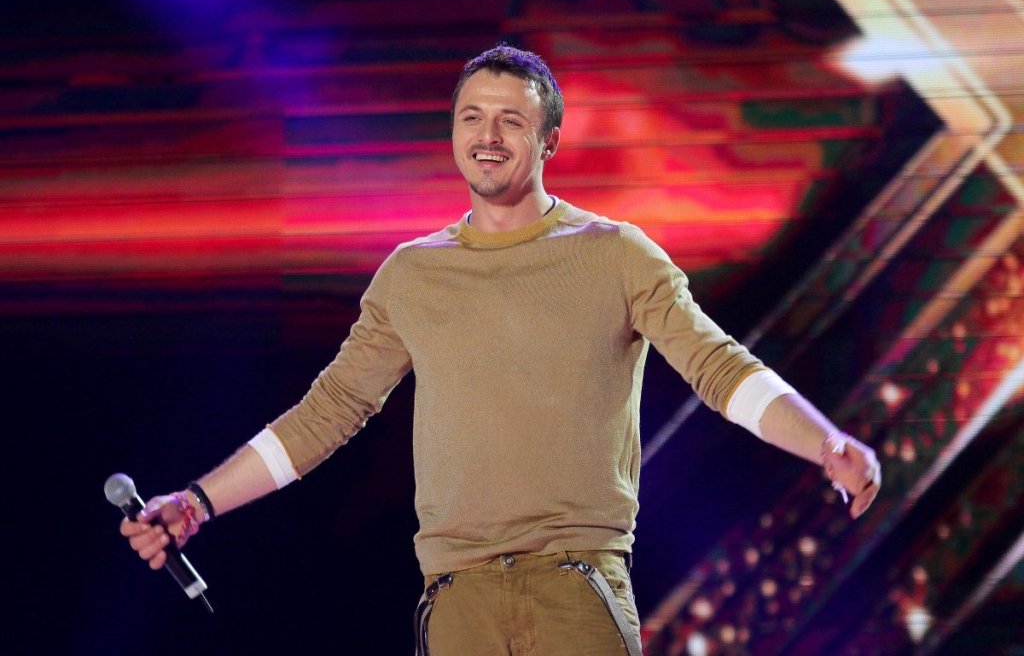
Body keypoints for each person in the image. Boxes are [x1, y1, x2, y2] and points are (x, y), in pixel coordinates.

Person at [120, 44, 881, 656]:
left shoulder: (616, 254)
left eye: (511, 121)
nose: (487, 137)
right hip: (458, 598)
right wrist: (196, 502)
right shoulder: (412, 274)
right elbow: (330, 411)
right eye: (472, 118)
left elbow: (717, 366)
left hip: (576, 587)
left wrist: (824, 442)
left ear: (549, 140)